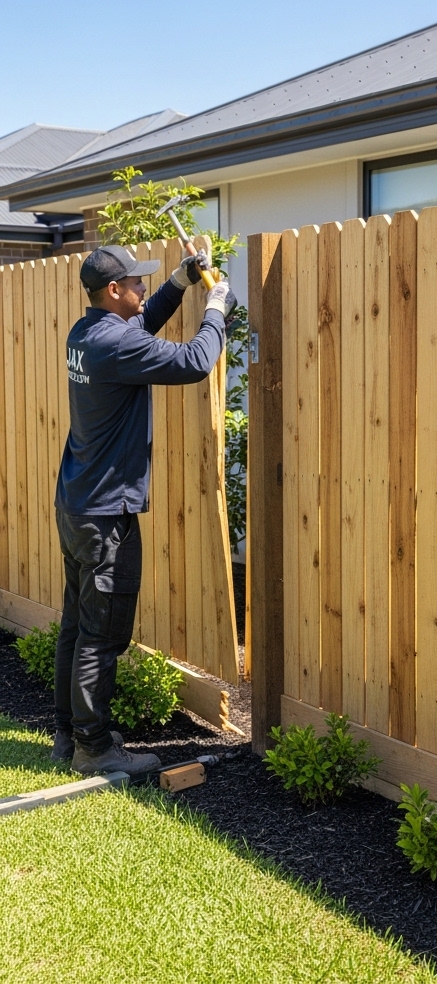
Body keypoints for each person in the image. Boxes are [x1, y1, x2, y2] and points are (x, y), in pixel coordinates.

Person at [52, 243, 234, 776]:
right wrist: (217, 309)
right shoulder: (114, 345)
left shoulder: (86, 334)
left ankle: (69, 732)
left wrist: (178, 284)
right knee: (102, 634)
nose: (142, 291)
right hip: (106, 514)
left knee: (76, 625)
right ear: (113, 291)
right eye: (137, 283)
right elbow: (194, 362)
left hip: (77, 504)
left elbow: (139, 325)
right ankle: (94, 747)